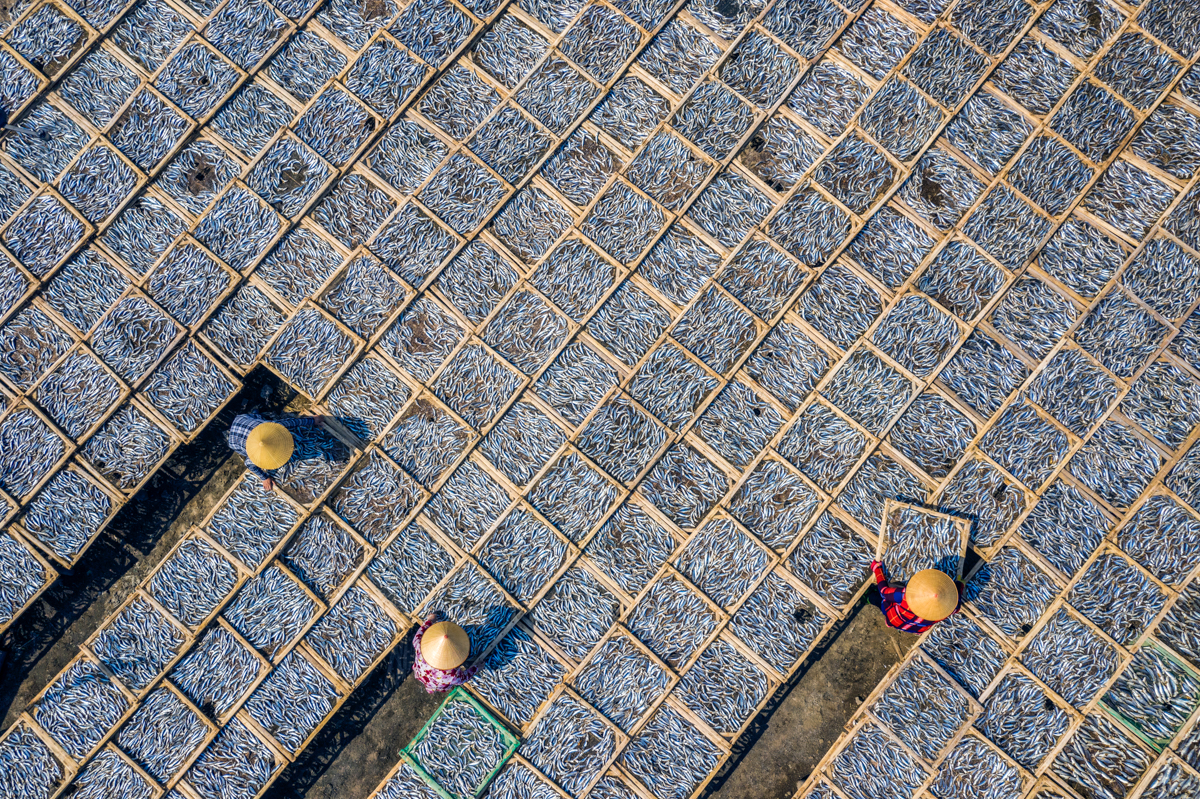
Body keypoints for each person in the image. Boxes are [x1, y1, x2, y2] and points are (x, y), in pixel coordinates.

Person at [227, 412, 323, 491]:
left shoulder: (272, 427)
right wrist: (264, 478)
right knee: (246, 452)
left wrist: (312, 420)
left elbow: (292, 422)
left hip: (241, 419)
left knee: (261, 417)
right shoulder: (253, 457)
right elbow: (249, 464)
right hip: (234, 440)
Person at [868, 561, 964, 634]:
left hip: (896, 619)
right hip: (918, 628)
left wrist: (877, 568)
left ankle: (870, 598)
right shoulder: (950, 608)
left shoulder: (907, 595)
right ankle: (889, 623)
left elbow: (884, 592)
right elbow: (957, 603)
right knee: (904, 622)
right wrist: (959, 585)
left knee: (878, 600)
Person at [412, 614, 478, 693]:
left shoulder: (420, 647)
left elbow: (417, 637)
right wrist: (476, 668)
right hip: (440, 683)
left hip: (421, 672)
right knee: (439, 685)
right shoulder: (451, 675)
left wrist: (429, 621)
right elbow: (463, 678)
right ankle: (433, 688)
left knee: (427, 680)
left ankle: (429, 686)